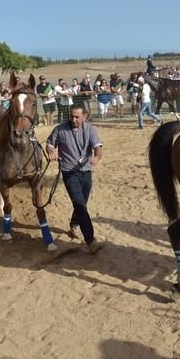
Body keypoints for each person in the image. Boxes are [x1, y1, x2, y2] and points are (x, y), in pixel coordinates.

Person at [46, 104, 104, 253]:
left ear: (85, 116)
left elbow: (97, 146)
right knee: (80, 204)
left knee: (82, 202)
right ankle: (90, 241)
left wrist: (97, 157)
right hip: (69, 172)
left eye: (77, 117)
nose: (73, 119)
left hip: (86, 171)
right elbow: (50, 144)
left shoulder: (91, 129)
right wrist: (51, 152)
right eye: (71, 116)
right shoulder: (60, 129)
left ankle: (73, 224)